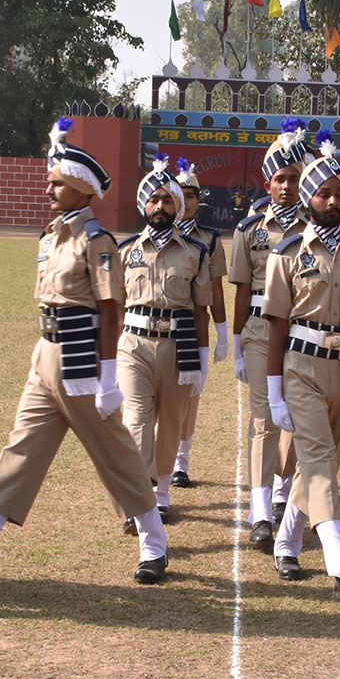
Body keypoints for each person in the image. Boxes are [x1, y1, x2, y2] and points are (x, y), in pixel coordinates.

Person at [0, 117, 172, 585]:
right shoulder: (51, 235)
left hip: (82, 363)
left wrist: (108, 380)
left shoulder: (96, 241)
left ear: (81, 188)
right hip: (45, 356)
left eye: (57, 183)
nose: (48, 189)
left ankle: (154, 542)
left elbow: (110, 312)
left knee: (115, 455)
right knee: (20, 452)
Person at [262, 131, 340, 599]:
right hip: (301, 368)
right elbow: (277, 326)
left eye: (339, 193)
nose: (332, 201)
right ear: (308, 198)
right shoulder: (286, 255)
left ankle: (286, 542)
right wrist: (275, 394)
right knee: (317, 459)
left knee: (322, 465)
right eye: (323, 193)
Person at [115, 155, 212, 522]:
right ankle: (140, 499)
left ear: (178, 206)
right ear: (144, 204)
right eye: (153, 199)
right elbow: (116, 308)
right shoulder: (126, 250)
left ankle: (162, 492)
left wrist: (201, 360)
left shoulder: (195, 253)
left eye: (167, 200)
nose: (160, 206)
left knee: (171, 423)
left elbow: (200, 311)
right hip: (133, 346)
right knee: (136, 420)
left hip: (177, 346)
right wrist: (110, 361)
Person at [231, 119, 309, 551]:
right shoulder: (249, 229)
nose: (286, 186)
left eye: (293, 178)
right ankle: (260, 511)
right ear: (268, 183)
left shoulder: (313, 227)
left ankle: (282, 489)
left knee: (297, 414)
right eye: (280, 179)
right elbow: (242, 289)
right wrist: (237, 342)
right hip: (260, 330)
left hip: (299, 329)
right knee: (263, 417)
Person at [168, 157, 230, 488]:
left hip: (194, 328)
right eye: (179, 194)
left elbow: (215, 290)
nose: (185, 202)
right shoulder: (157, 233)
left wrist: (222, 335)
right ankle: (156, 460)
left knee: (190, 398)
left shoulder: (210, 239)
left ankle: (181, 462)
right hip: (159, 326)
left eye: (190, 195)